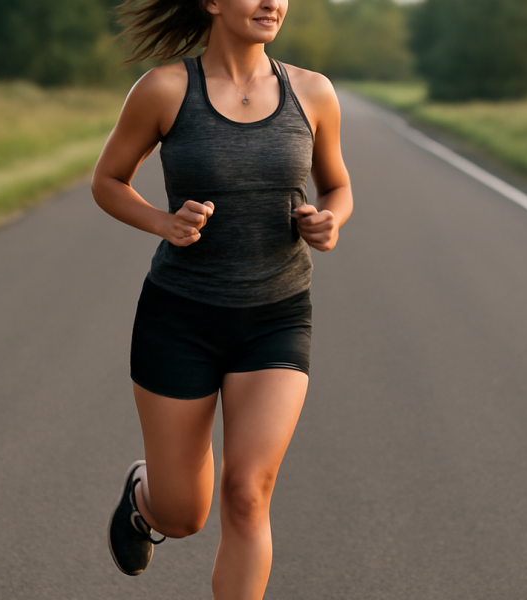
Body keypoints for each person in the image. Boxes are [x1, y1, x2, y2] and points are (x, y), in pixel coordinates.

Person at [91, 0, 352, 597]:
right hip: (180, 316)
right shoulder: (163, 90)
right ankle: (143, 497)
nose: (272, 3)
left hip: (277, 316)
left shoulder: (312, 92)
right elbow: (107, 180)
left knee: (248, 492)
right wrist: (163, 223)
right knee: (183, 515)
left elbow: (337, 184)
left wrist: (330, 219)